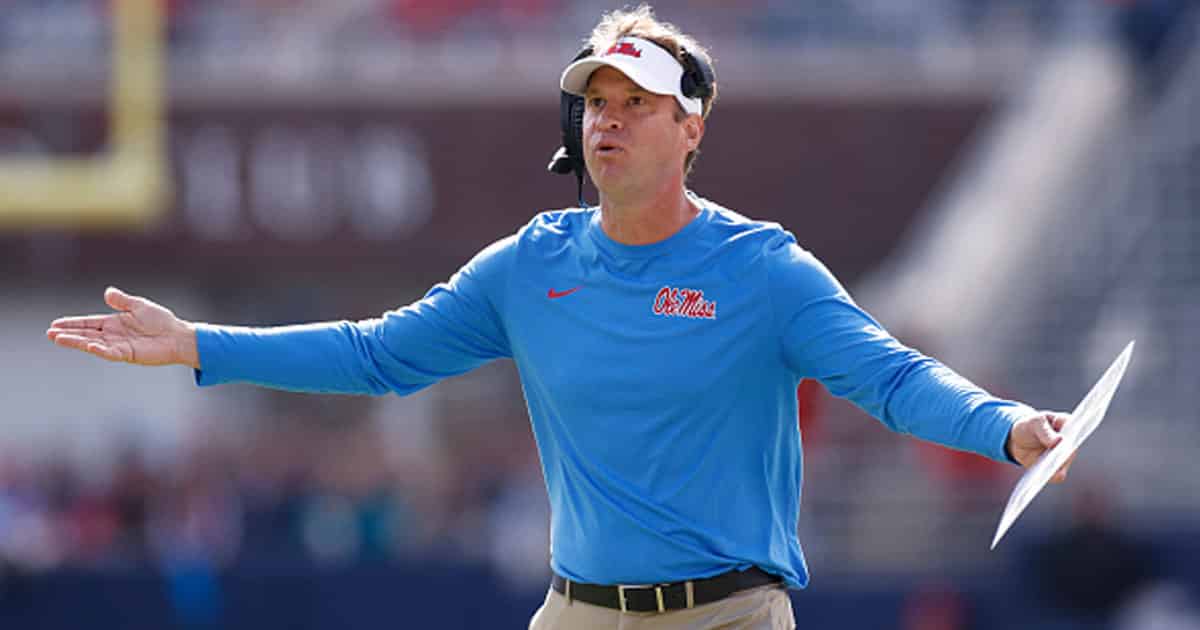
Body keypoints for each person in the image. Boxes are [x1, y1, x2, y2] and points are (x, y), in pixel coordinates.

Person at [46, 5, 1078, 629]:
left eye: (635, 104)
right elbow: (378, 358)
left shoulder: (761, 269)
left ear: (691, 127)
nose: (608, 122)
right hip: (579, 614)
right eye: (595, 104)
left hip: (733, 617)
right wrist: (198, 347)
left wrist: (1008, 426)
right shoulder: (528, 267)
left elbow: (891, 377)